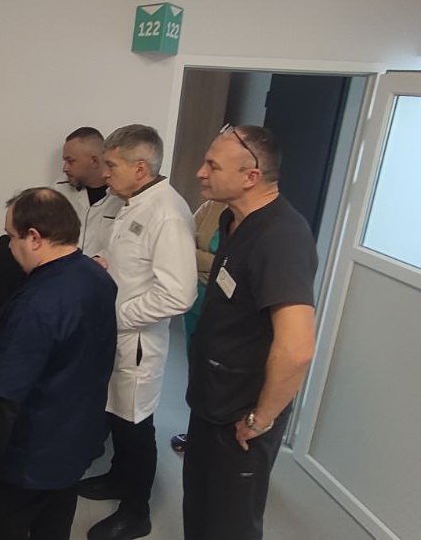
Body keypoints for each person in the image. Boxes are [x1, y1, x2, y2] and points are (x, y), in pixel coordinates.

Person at [183, 125, 317, 540]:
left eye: (212, 165)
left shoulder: (282, 238)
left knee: (230, 524)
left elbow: (297, 349)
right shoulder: (232, 219)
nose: (200, 173)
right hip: (212, 400)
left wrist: (261, 420)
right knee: (199, 506)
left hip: (242, 417)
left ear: (251, 176)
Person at [0, 187, 118, 540]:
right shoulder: (97, 276)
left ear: (34, 237)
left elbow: (4, 395)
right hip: (76, 437)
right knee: (53, 523)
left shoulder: (35, 305)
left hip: (32, 452)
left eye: (11, 236)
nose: (8, 247)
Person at [78, 124, 198, 540]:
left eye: (112, 165)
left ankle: (136, 512)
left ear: (141, 168)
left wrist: (118, 316)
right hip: (116, 337)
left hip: (137, 343)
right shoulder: (131, 202)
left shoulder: (167, 213)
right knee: (116, 412)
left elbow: (178, 295)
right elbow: (133, 264)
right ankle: (117, 478)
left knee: (135, 425)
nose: (104, 173)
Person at [171, 199, 228, 453]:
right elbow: (181, 248)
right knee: (196, 368)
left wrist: (200, 258)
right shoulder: (210, 206)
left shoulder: (255, 218)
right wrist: (212, 261)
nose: (204, 178)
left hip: (226, 304)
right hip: (197, 298)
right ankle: (196, 433)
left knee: (218, 374)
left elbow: (232, 264)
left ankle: (214, 440)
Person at [54, 126, 124, 256]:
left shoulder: (122, 195)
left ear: (94, 161)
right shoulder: (60, 190)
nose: (65, 168)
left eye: (70, 161)